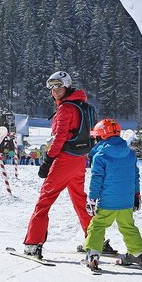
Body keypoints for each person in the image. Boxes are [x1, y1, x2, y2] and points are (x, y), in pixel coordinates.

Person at [23, 70, 116, 259]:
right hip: (80, 159)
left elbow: (59, 138)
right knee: (80, 199)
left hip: (65, 159)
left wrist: (48, 160)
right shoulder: (83, 105)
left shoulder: (66, 109)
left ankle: (34, 243)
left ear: (67, 85)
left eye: (58, 86)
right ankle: (95, 240)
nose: (54, 90)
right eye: (51, 87)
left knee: (45, 200)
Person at [82, 118, 142, 272]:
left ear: (101, 136)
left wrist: (92, 199)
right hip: (126, 201)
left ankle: (93, 255)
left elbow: (96, 179)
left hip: (108, 201)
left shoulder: (100, 156)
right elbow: (135, 175)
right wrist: (136, 195)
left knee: (98, 225)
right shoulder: (130, 154)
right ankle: (138, 254)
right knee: (128, 226)